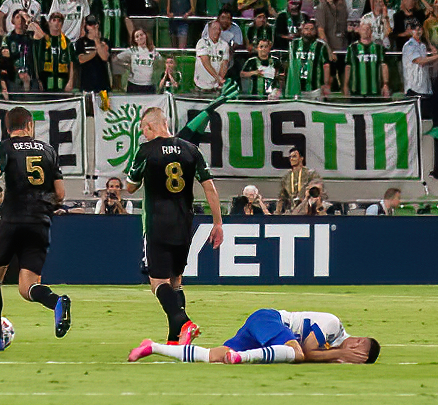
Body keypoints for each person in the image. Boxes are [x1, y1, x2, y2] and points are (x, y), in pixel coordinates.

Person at [125, 107, 223, 346]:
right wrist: (218, 222)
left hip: (158, 223)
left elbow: (130, 186)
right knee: (176, 280)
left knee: (157, 283)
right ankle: (175, 339)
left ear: (150, 126)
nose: (144, 135)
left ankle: (184, 322)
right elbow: (209, 187)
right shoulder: (191, 150)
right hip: (184, 223)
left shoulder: (147, 151)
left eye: (143, 130)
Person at [0, 107, 73, 351]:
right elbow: (60, 194)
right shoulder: (49, 150)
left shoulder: (4, 147)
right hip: (39, 223)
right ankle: (56, 302)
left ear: (8, 128)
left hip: (11, 219)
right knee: (27, 286)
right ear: (30, 126)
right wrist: (40, 204)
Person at [128, 309, 380, 364]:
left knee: (214, 356)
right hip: (268, 319)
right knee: (297, 353)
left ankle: (152, 347)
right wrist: (340, 354)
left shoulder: (335, 345)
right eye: (359, 347)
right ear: (359, 340)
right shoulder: (333, 325)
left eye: (358, 355)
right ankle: (242, 358)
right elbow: (309, 351)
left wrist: (338, 357)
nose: (354, 350)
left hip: (266, 333)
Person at [277, 147, 322, 214]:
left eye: (294, 156)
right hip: (291, 211)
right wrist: (277, 213)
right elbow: (282, 197)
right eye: (290, 157)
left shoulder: (310, 174)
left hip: (307, 211)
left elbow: (317, 193)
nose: (291, 159)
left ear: (301, 158)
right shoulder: (286, 177)